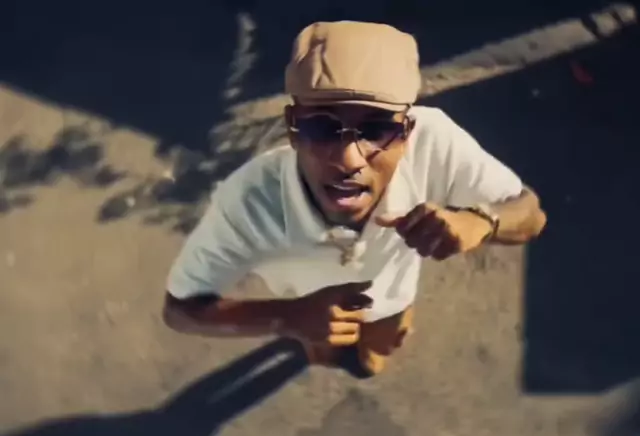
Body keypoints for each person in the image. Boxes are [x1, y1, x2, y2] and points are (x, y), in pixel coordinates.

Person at [163, 21, 547, 376]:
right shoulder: (247, 201)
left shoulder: (435, 140)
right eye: (321, 128)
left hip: (391, 302)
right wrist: (288, 318)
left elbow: (530, 214)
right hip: (308, 312)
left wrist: (481, 221)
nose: (349, 161)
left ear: (408, 133)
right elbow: (180, 310)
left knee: (376, 356)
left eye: (376, 129)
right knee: (323, 352)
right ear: (293, 129)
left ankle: (360, 356)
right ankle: (327, 353)